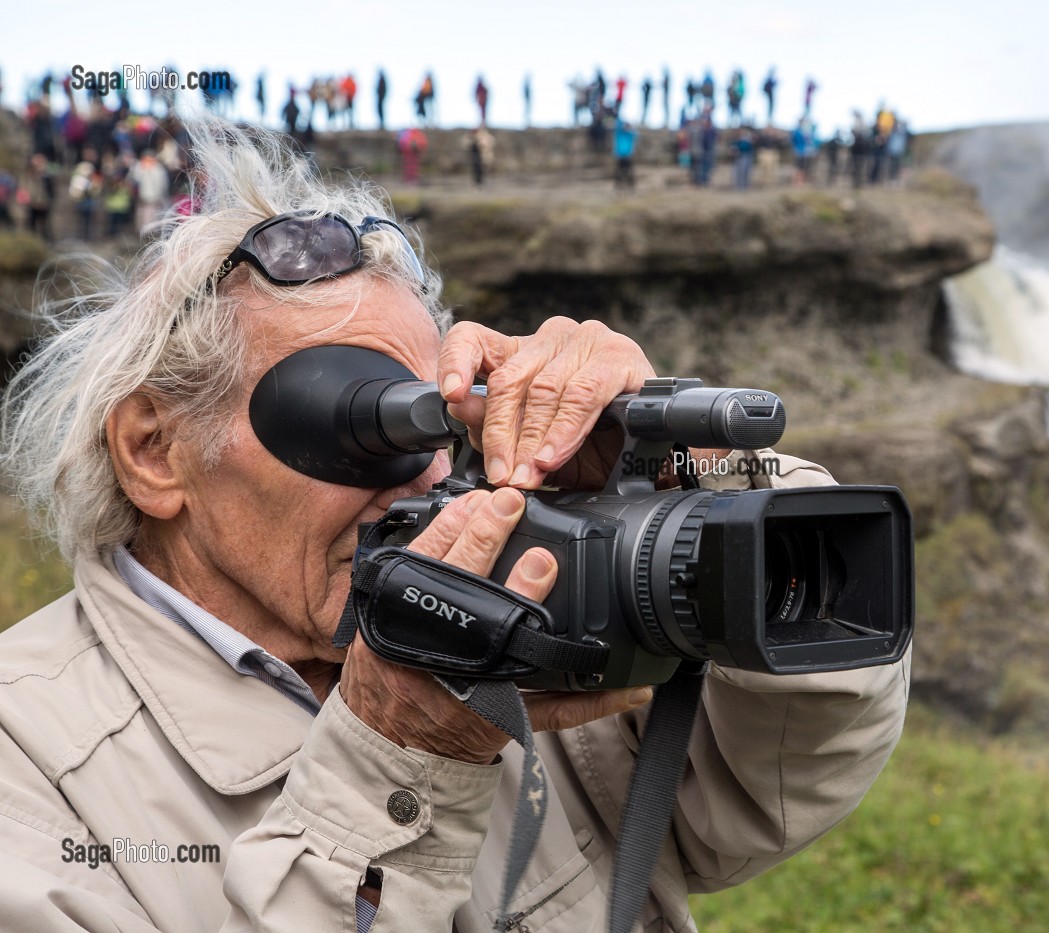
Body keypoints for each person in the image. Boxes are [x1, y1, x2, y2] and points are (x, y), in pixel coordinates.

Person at [0, 121, 908, 931]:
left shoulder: (531, 613)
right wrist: (398, 757)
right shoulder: (30, 767)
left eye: (447, 426)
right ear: (154, 452)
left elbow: (768, 788)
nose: (432, 476)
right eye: (362, 432)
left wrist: (679, 479)